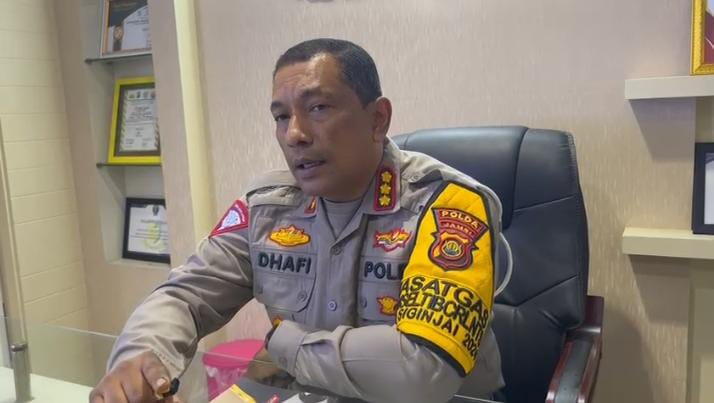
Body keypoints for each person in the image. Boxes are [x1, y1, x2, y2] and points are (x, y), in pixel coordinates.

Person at [90, 38, 505, 403]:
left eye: (318, 108)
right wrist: (140, 360)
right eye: (281, 117)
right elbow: (185, 296)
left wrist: (285, 345)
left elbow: (422, 372)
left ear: (378, 118)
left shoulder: (449, 206)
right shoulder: (267, 208)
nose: (294, 134)